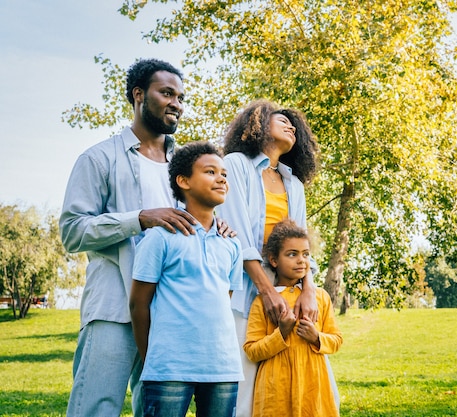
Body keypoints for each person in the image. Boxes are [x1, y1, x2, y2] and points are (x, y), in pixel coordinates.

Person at [59, 58, 233, 417]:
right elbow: (73, 231)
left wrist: (219, 227)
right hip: (113, 306)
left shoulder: (186, 164)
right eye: (166, 93)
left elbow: (199, 216)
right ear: (139, 95)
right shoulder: (98, 158)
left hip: (169, 314)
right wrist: (139, 218)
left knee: (150, 408)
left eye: (180, 97)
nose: (176, 103)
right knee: (96, 407)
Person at [217, 99, 336, 416]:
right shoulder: (236, 165)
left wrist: (308, 289)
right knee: (245, 380)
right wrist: (266, 291)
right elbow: (238, 234)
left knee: (299, 376)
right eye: (280, 119)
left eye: (293, 125)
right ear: (256, 124)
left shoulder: (294, 184)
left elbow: (302, 242)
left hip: (289, 289)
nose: (291, 126)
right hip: (244, 289)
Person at [130, 141, 243, 417]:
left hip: (223, 368)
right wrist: (152, 361)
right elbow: (138, 304)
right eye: (210, 172)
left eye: (224, 175)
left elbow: (222, 301)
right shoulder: (160, 238)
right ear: (184, 181)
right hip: (169, 368)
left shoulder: (232, 244)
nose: (221, 179)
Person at [243, 219, 342, 417]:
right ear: (273, 260)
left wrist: (316, 337)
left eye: (306, 254)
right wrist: (281, 333)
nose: (301, 260)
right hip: (275, 389)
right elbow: (252, 350)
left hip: (313, 385)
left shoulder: (319, 297)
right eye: (292, 254)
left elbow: (336, 339)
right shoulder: (263, 301)